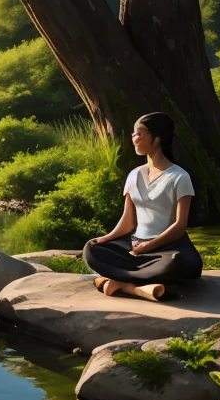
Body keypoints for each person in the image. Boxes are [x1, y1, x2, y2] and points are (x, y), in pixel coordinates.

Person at [82, 111, 203, 301]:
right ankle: (135, 286)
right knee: (92, 249)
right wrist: (108, 237)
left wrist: (148, 246)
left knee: (177, 263)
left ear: (156, 139)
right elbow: (128, 221)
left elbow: (180, 226)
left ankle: (119, 282)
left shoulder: (179, 177)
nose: (134, 138)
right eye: (133, 133)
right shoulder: (134, 175)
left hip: (168, 249)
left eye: (139, 133)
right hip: (136, 247)